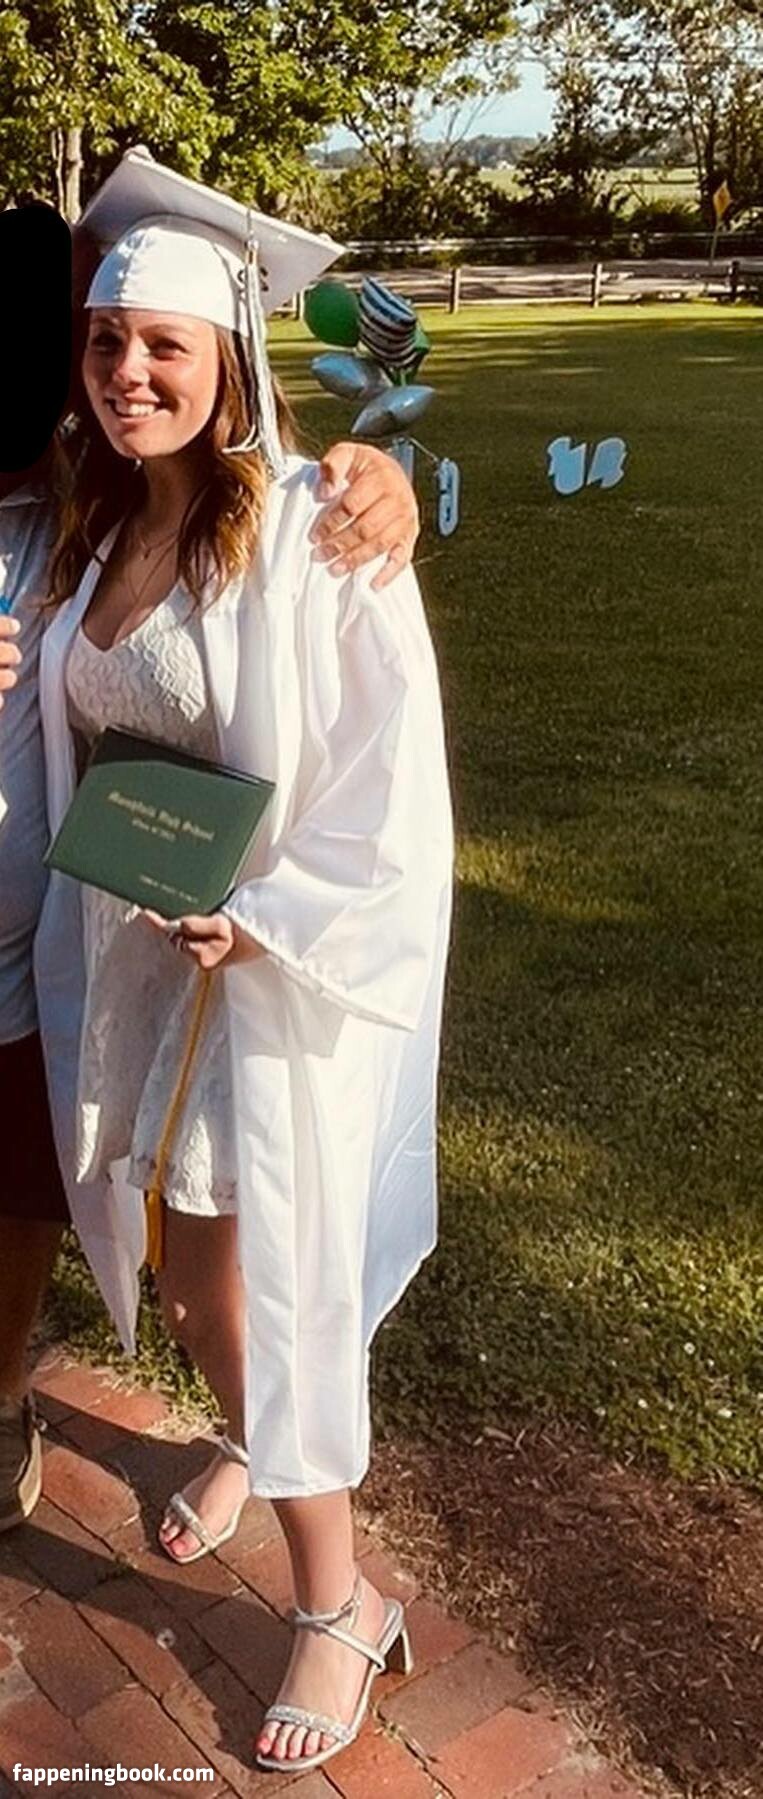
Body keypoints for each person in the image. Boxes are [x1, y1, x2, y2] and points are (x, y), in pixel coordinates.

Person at [0, 182, 422, 1550]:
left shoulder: (309, 529)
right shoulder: (95, 520)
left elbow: (386, 781)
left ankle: (339, 1597)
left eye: (163, 344)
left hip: (244, 969)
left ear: (229, 356)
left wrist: (271, 919)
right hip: (129, 963)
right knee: (195, 1276)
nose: (127, 369)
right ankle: (250, 1445)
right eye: (104, 339)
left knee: (227, 1292)